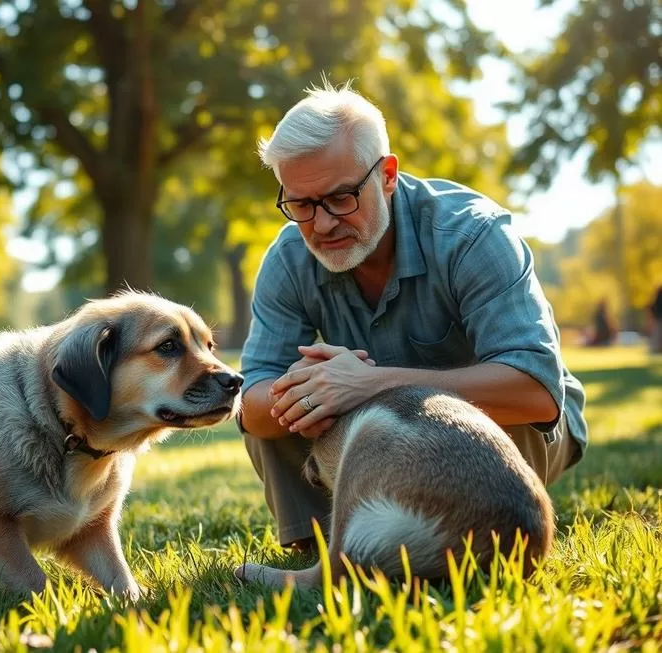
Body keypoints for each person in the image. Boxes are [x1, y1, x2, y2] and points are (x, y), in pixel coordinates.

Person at [235, 82, 588, 552]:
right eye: (300, 205)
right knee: (282, 403)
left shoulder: (474, 236)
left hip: (504, 428)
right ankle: (325, 550)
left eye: (341, 198)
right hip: (377, 435)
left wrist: (370, 384)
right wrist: (300, 393)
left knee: (497, 409)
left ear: (387, 175)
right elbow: (252, 402)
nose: (321, 225)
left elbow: (538, 391)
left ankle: (481, 540)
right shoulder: (287, 259)